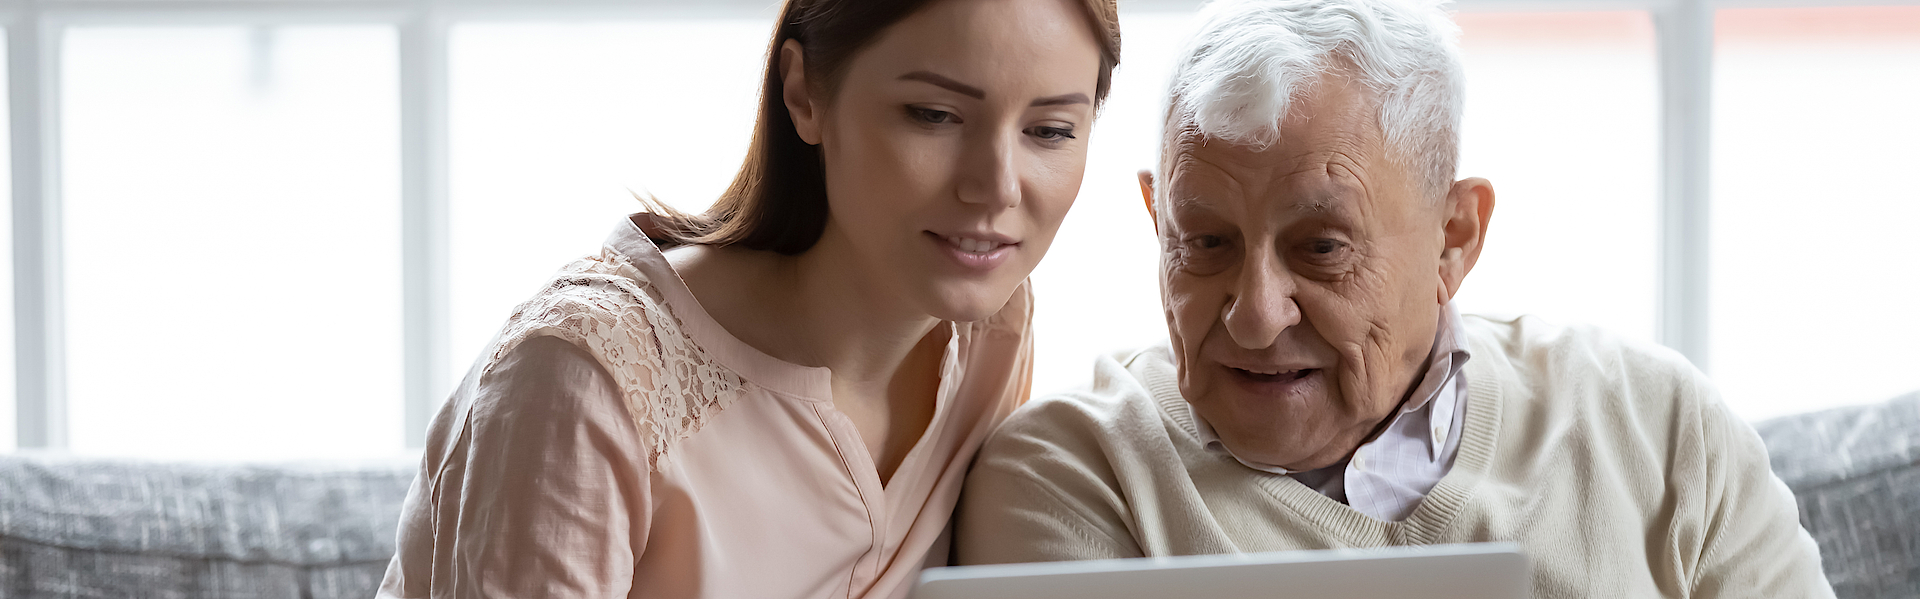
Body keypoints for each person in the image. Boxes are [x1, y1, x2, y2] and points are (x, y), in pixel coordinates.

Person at [951, 0, 1833, 596]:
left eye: (1323, 248)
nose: (1254, 314)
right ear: (1157, 218)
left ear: (1455, 236)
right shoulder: (1072, 475)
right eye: (1205, 242)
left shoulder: (1656, 420)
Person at [376, 0, 1120, 597]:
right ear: (804, 93)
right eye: (934, 115)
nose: (996, 187)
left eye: (1050, 130)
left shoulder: (991, 327)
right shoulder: (578, 385)